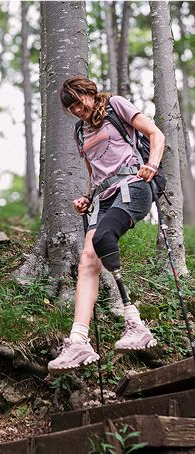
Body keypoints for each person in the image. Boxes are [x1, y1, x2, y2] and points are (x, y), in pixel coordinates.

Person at [48, 75, 165, 375]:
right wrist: (87, 197)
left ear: (89, 92)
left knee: (103, 238)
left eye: (79, 102)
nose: (77, 110)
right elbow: (95, 172)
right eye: (71, 108)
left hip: (133, 187)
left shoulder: (115, 105)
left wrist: (151, 165)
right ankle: (78, 341)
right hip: (102, 200)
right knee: (87, 260)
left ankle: (136, 324)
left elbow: (156, 133)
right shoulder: (80, 131)